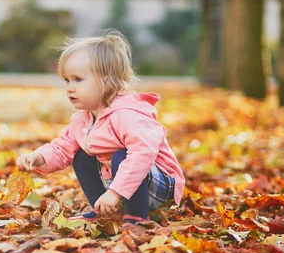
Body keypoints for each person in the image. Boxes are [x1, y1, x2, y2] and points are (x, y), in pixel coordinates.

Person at [15, 30, 185, 224]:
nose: (70, 87)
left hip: (158, 186)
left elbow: (142, 155)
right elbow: (61, 148)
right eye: (67, 80)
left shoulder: (127, 114)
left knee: (123, 154)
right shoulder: (83, 119)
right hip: (122, 184)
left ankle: (137, 216)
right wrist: (36, 157)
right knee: (80, 153)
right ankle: (100, 208)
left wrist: (115, 192)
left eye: (78, 79)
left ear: (106, 80)